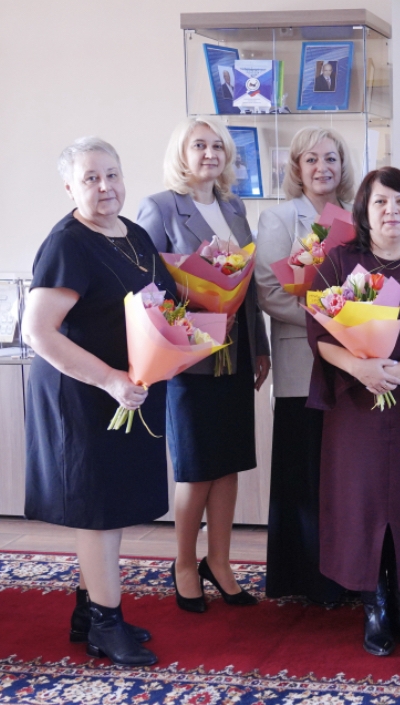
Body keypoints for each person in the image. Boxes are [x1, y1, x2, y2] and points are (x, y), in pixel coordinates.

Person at [23, 137, 177, 666]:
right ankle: (106, 627)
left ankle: (89, 614)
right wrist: (110, 378)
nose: (105, 186)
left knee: (110, 505)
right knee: (98, 513)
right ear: (70, 187)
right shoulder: (67, 243)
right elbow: (39, 332)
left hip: (127, 391)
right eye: (91, 178)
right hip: (84, 395)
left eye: (112, 174)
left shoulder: (132, 232)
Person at [307, 167, 400, 656]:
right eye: (381, 202)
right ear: (364, 211)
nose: (392, 211)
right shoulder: (340, 261)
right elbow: (319, 331)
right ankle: (373, 607)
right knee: (364, 505)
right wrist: (361, 367)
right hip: (356, 410)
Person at [138, 116, 271, 613]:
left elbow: (246, 284)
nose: (210, 154)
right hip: (188, 357)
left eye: (218, 146)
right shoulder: (159, 206)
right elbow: (148, 284)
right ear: (182, 152)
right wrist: (190, 324)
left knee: (229, 462)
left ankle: (220, 561)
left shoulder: (234, 206)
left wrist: (260, 347)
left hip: (235, 351)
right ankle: (184, 564)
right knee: (195, 468)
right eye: (199, 145)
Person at [254, 127, 355, 604]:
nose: (322, 167)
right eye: (311, 159)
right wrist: (329, 321)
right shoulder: (278, 218)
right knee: (304, 470)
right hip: (302, 364)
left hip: (352, 363)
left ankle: (347, 572)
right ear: (296, 167)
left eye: (331, 158)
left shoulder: (357, 216)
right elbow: (270, 293)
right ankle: (306, 578)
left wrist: (355, 321)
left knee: (343, 474)